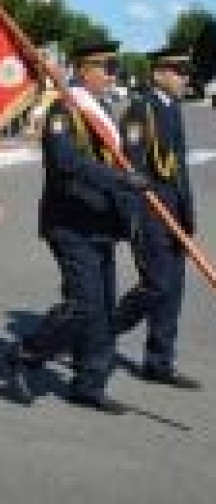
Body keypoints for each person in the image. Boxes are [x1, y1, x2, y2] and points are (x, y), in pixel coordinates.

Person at [5, 40, 147, 413]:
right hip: (69, 221)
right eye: (106, 67)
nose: (112, 75)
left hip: (101, 223)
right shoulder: (63, 110)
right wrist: (121, 181)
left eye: (115, 68)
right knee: (83, 304)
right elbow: (66, 162)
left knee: (101, 308)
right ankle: (27, 353)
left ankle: (89, 382)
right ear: (84, 70)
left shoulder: (101, 109)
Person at [114, 48, 201, 389]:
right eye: (180, 72)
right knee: (157, 286)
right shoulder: (141, 110)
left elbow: (178, 168)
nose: (185, 79)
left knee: (173, 291)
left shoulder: (172, 109)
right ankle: (102, 331)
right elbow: (131, 168)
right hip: (151, 216)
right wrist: (132, 219)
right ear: (160, 73)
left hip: (175, 213)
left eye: (186, 73)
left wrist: (187, 213)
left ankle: (159, 361)